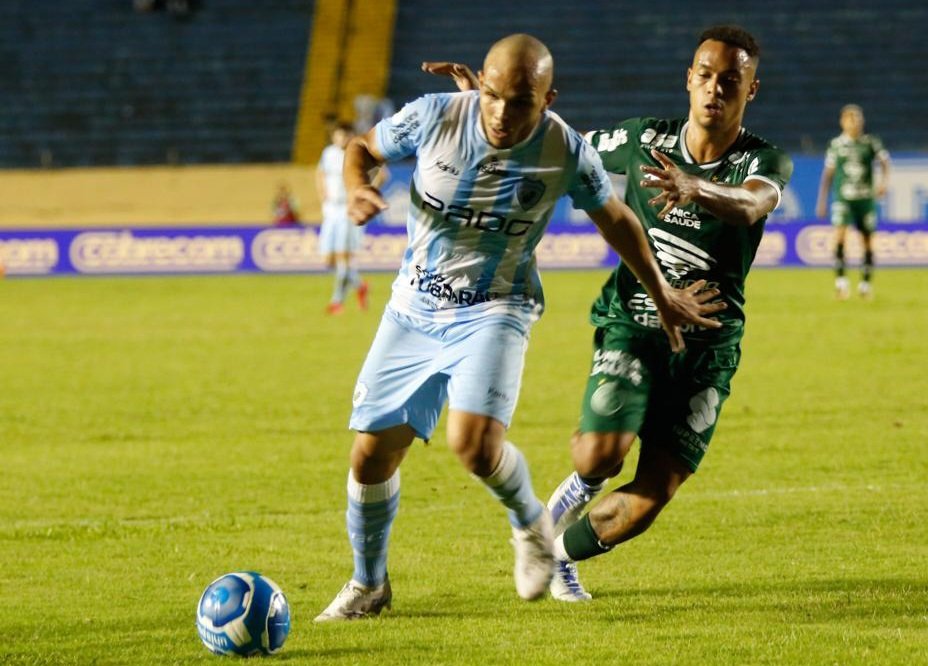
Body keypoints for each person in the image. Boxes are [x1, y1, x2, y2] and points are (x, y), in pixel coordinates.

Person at [313, 33, 726, 621]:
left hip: (496, 306)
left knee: (472, 445)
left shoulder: (563, 148)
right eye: (493, 96)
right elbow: (362, 149)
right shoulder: (434, 115)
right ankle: (369, 584)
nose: (503, 114)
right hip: (413, 306)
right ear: (480, 83)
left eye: (521, 103)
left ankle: (531, 524)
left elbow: (616, 218)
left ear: (547, 99)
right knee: (370, 457)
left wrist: (661, 292)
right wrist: (357, 188)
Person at [429, 23, 792, 603]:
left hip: (708, 347)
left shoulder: (765, 158)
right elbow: (554, 142)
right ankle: (571, 496)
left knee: (651, 497)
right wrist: (486, 105)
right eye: (704, 76)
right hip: (634, 322)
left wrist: (695, 188)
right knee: (601, 454)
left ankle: (558, 552)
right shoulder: (644, 137)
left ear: (752, 90)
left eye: (731, 80)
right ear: (688, 80)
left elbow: (753, 204)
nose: (714, 89)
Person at [815, 104, 890, 300]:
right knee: (839, 237)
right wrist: (822, 201)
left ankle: (865, 286)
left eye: (857, 118)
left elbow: (885, 162)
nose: (854, 122)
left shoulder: (871, 142)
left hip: (865, 199)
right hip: (843, 199)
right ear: (842, 122)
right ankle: (841, 284)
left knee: (867, 243)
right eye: (850, 118)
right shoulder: (836, 145)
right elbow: (828, 174)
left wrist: (884, 183)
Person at [316, 122, 378, 314]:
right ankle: (360, 286)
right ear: (334, 137)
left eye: (346, 135)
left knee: (343, 257)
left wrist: (366, 194)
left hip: (348, 209)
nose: (342, 139)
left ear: (351, 136)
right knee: (327, 260)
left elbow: (382, 173)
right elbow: (319, 173)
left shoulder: (357, 152)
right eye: (339, 136)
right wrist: (322, 194)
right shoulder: (328, 153)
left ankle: (336, 302)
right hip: (330, 210)